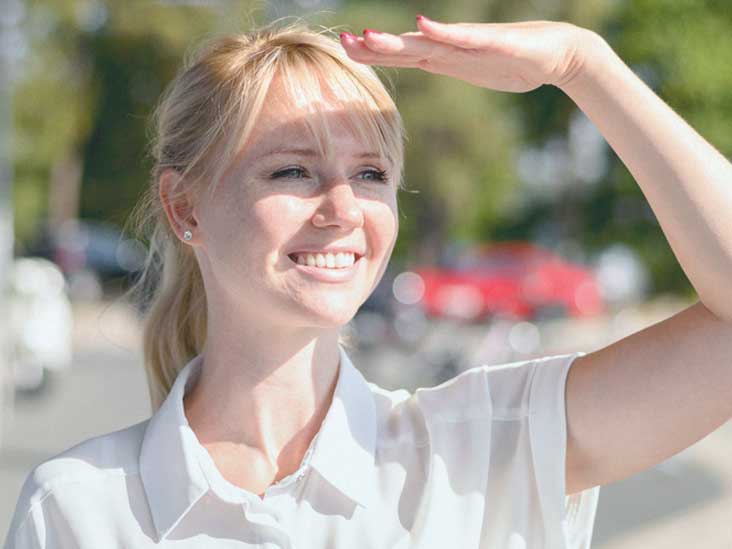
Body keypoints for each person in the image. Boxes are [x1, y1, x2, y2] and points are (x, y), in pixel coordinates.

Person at [4, 14, 732, 549]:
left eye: (371, 174)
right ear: (184, 205)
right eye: (293, 169)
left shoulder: (479, 449)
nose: (345, 209)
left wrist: (584, 63)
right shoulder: (77, 507)